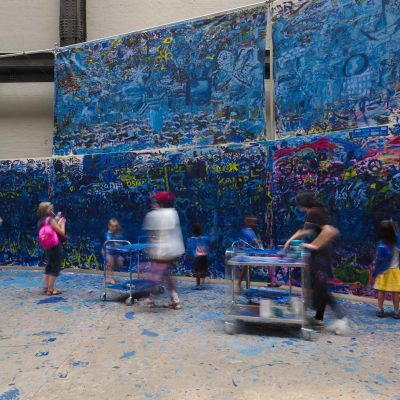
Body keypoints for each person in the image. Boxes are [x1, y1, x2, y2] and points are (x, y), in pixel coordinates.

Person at [284, 192, 350, 334]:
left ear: (302, 203)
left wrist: (314, 245)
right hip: (319, 257)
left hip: (320, 257)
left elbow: (330, 230)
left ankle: (341, 318)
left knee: (321, 289)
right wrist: (292, 239)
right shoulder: (316, 212)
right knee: (317, 287)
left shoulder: (314, 213)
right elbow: (308, 231)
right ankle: (319, 318)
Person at [142, 191, 185, 309]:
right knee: (167, 273)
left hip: (162, 251)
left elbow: (152, 236)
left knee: (155, 274)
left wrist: (150, 251)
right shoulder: (173, 213)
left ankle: (151, 299)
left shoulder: (153, 215)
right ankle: (175, 299)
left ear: (158, 202)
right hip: (174, 250)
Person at [37, 202, 66, 295]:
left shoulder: (41, 221)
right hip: (55, 246)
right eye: (51, 208)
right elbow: (61, 232)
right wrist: (62, 223)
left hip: (47, 246)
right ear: (48, 210)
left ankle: (46, 287)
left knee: (49, 265)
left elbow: (50, 226)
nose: (53, 210)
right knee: (55, 267)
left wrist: (57, 218)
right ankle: (51, 289)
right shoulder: (51, 220)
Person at [373, 220, 400, 319]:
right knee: (396, 292)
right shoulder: (398, 243)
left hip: (383, 271)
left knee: (381, 291)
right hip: (395, 270)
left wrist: (375, 269)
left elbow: (379, 259)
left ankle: (380, 310)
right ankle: (396, 312)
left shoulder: (381, 244)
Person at [237, 216, 263, 291]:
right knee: (245, 269)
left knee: (246, 269)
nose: (256, 224)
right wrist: (258, 242)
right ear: (248, 223)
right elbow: (254, 241)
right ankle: (240, 285)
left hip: (247, 252)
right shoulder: (248, 231)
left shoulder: (247, 230)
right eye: (254, 223)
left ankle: (245, 285)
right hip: (245, 253)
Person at [186, 223, 213, 289]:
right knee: (204, 270)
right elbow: (210, 242)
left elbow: (189, 249)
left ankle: (198, 285)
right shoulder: (205, 238)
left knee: (198, 271)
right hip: (204, 257)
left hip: (198, 257)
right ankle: (202, 284)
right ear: (200, 231)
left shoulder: (191, 239)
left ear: (193, 231)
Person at [104, 218, 124, 285]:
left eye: (115, 226)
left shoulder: (118, 234)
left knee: (120, 262)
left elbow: (120, 241)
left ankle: (110, 274)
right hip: (108, 252)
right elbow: (111, 242)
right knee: (110, 262)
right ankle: (110, 278)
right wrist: (118, 244)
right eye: (112, 226)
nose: (114, 228)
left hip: (115, 252)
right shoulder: (108, 234)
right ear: (109, 226)